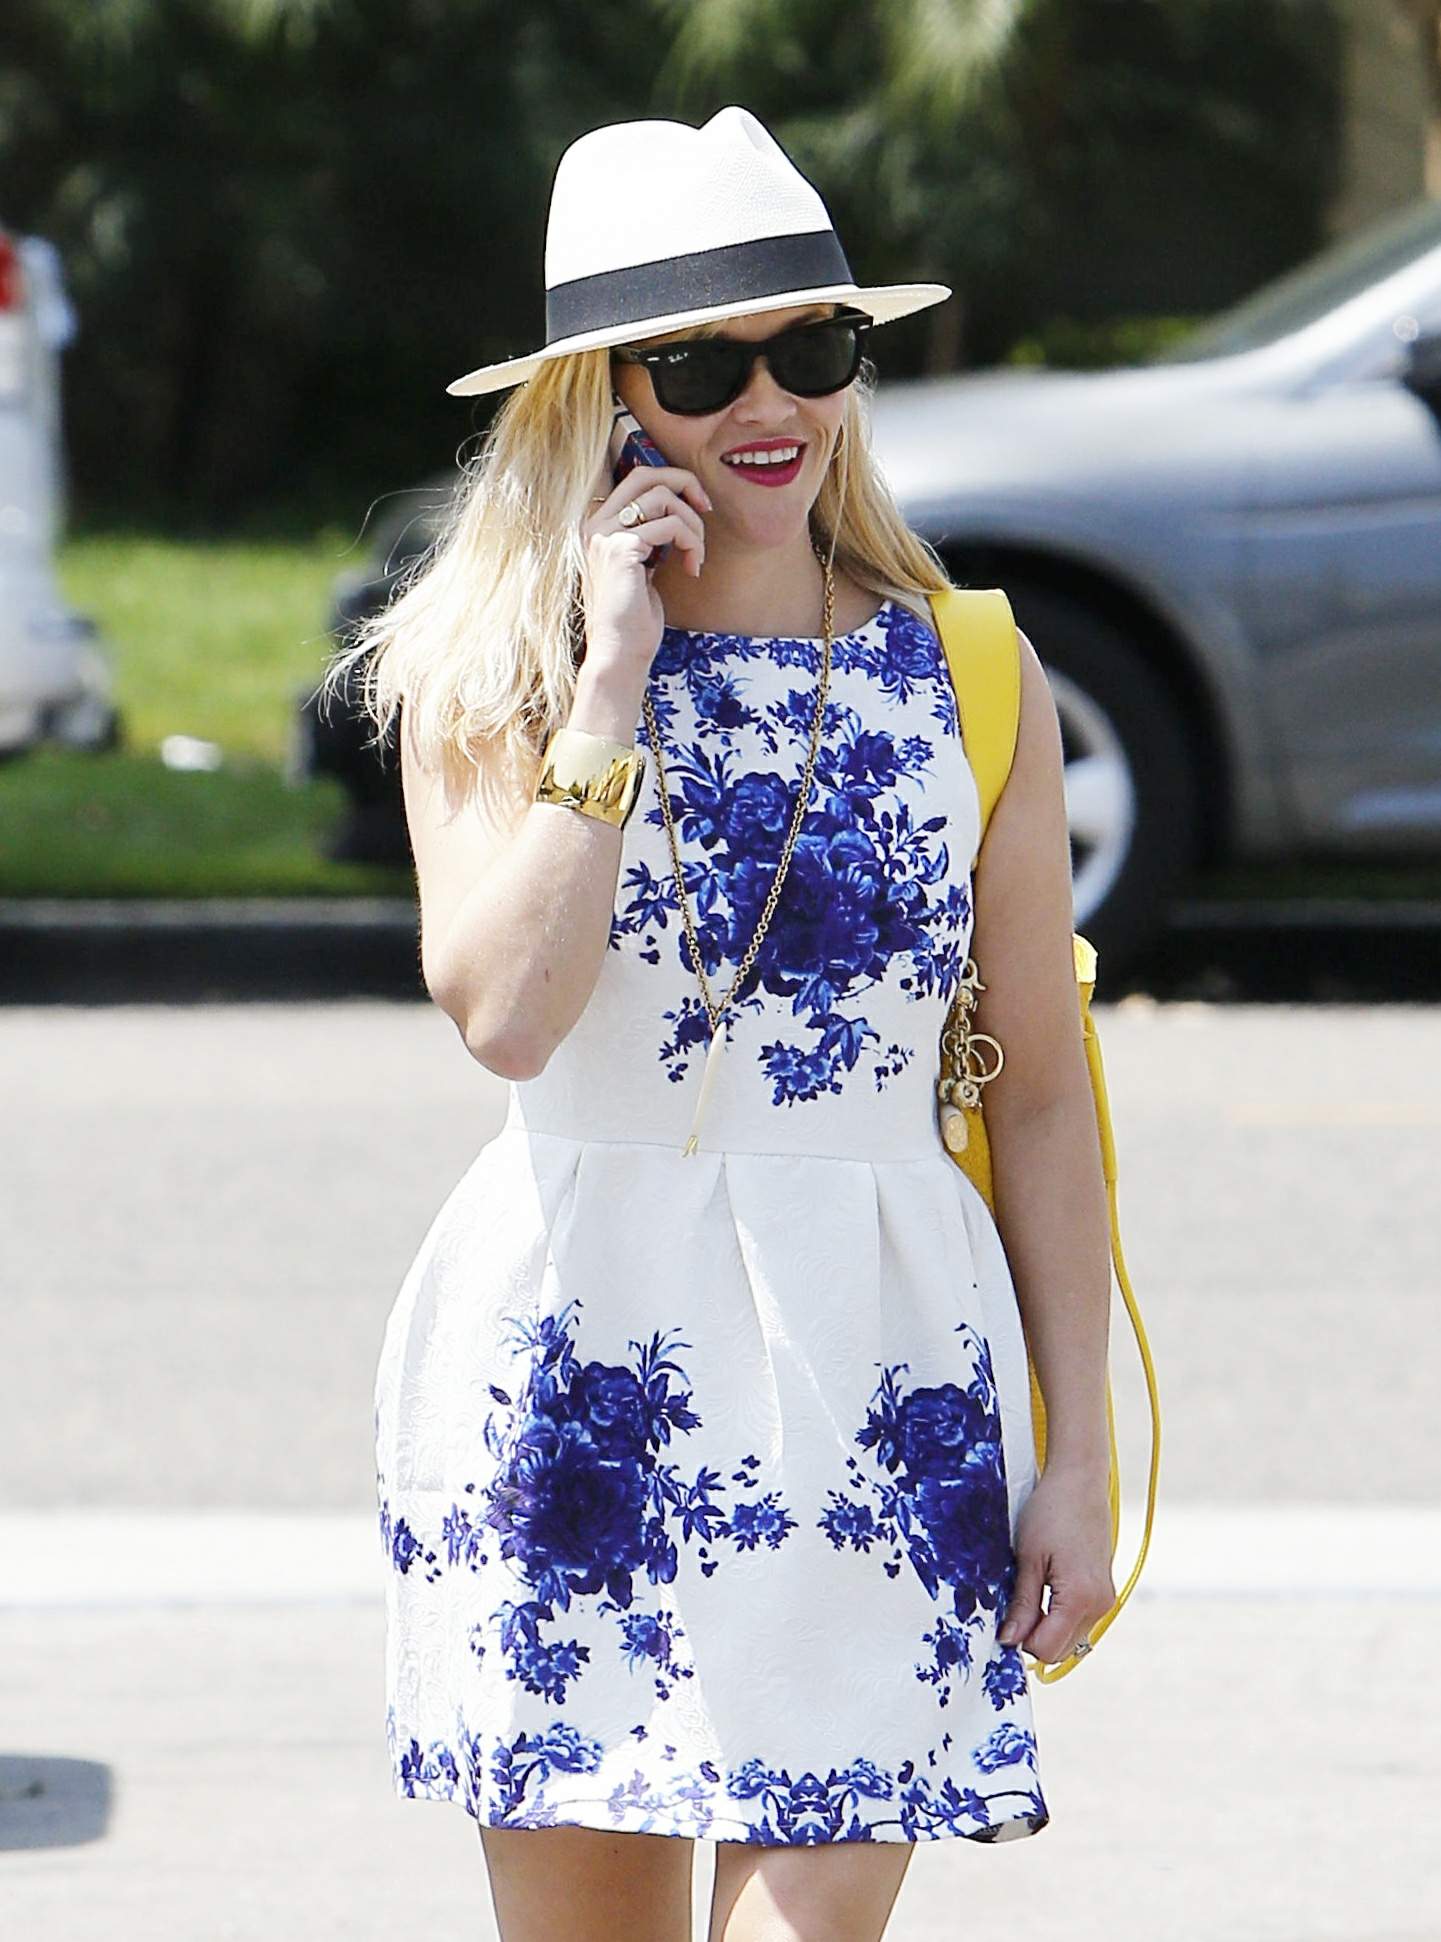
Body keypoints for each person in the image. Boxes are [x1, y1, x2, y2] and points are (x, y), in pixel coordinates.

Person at [335, 105, 1115, 1942]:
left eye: (813, 347)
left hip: (882, 1359)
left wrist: (1074, 1454)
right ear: (600, 399)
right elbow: (508, 1018)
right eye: (700, 364)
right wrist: (609, 678)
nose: (770, 403)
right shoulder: (495, 670)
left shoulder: (974, 671)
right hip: (575, 1369)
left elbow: (1054, 1102)